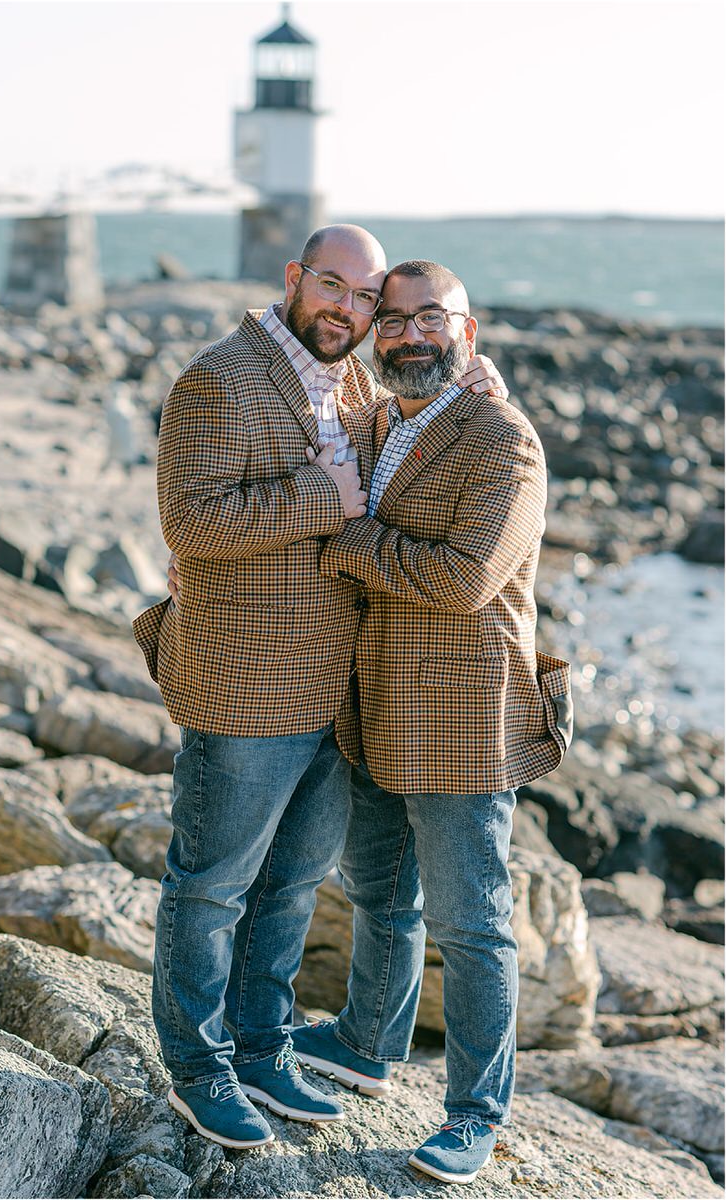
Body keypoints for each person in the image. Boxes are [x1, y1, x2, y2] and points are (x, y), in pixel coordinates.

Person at [134, 226, 506, 1150]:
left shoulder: (355, 381)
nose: (349, 307)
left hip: (334, 696)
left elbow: (427, 417)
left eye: (364, 296)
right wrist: (317, 496)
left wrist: (481, 387)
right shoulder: (219, 377)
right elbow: (188, 519)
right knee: (213, 887)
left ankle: (262, 1049)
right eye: (333, 286)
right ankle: (198, 1065)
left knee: (293, 889)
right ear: (296, 279)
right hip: (244, 685)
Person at [290, 260, 572, 1185]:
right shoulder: (388, 418)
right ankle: (368, 1042)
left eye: (431, 320)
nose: (411, 334)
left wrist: (349, 539)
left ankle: (476, 1114)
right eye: (395, 320)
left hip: (461, 717)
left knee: (475, 926)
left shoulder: (503, 442)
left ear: (468, 329)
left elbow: (463, 578)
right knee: (380, 895)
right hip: (374, 705)